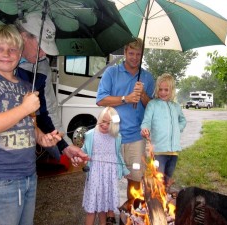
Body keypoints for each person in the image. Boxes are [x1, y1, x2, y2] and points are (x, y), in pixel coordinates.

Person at [0, 12, 87, 225]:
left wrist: (62, 144)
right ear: (23, 36)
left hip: (23, 172)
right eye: (40, 45)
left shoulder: (40, 65)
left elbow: (45, 111)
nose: (44, 53)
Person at [96, 38, 155, 204]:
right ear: (125, 53)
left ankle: (132, 213)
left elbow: (152, 107)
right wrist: (126, 98)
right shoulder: (111, 73)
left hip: (136, 139)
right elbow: (100, 100)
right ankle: (108, 216)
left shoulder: (147, 78)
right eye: (131, 53)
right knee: (108, 181)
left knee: (135, 180)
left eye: (138, 54)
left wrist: (142, 94)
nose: (135, 57)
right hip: (111, 136)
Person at [81, 107, 130, 225]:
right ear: (99, 119)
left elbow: (117, 154)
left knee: (103, 207)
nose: (104, 125)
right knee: (91, 209)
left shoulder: (116, 137)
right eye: (103, 121)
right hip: (95, 177)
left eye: (109, 123)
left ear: (114, 124)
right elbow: (83, 151)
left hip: (109, 178)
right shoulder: (90, 135)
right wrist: (81, 158)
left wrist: (124, 169)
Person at [141, 73, 187, 191]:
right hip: (158, 151)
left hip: (173, 152)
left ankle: (164, 202)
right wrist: (145, 129)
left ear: (172, 90)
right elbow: (146, 121)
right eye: (160, 89)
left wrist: (178, 128)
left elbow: (183, 120)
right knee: (158, 180)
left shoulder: (176, 106)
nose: (163, 92)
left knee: (167, 180)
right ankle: (155, 205)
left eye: (166, 90)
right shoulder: (152, 105)